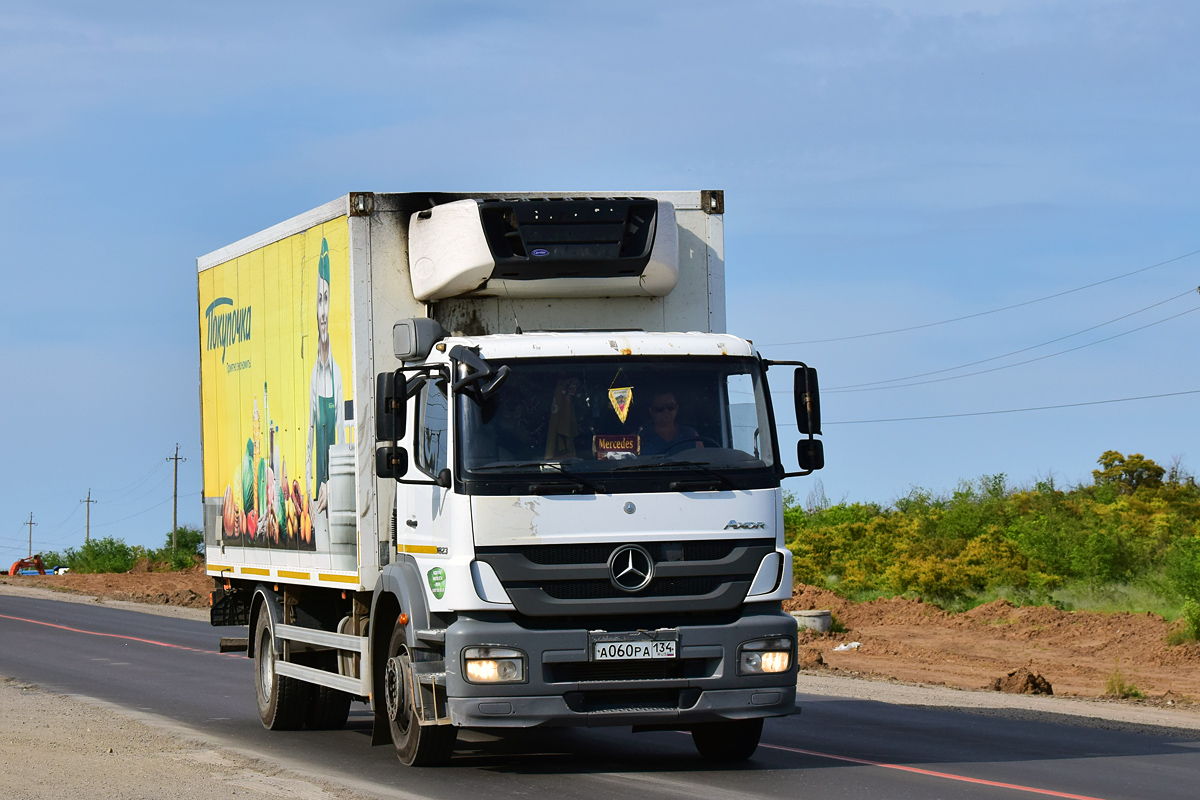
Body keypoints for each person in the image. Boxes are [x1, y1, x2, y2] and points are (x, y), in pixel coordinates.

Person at [306, 238, 345, 516]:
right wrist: (311, 488)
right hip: (316, 496)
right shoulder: (314, 375)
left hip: (333, 493)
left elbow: (341, 436)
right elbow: (309, 436)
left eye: (326, 300)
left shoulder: (336, 374)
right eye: (319, 300)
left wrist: (333, 484)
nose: (322, 311)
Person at [640, 391, 703, 456]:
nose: (666, 410)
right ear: (651, 412)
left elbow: (703, 461)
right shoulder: (637, 438)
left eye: (670, 407)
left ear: (676, 409)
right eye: (660, 408)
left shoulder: (692, 435)